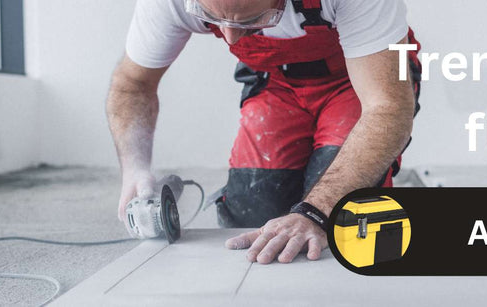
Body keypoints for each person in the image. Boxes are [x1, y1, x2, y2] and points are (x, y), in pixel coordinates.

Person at [107, 0, 422, 264]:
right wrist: (135, 169)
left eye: (254, 19)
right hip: (277, 84)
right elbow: (132, 85)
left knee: (341, 222)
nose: (230, 37)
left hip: (359, 83)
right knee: (253, 217)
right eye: (212, 19)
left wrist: (315, 213)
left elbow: (387, 108)